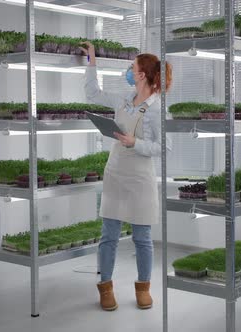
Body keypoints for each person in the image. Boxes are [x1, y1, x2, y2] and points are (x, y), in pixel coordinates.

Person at [80, 41, 172, 311]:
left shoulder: (157, 109)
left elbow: (163, 148)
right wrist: (92, 62)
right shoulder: (122, 99)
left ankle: (143, 287)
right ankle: (105, 288)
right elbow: (93, 94)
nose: (128, 72)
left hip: (141, 177)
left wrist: (136, 143)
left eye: (132, 68)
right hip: (116, 172)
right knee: (109, 235)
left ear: (142, 74)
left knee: (142, 237)